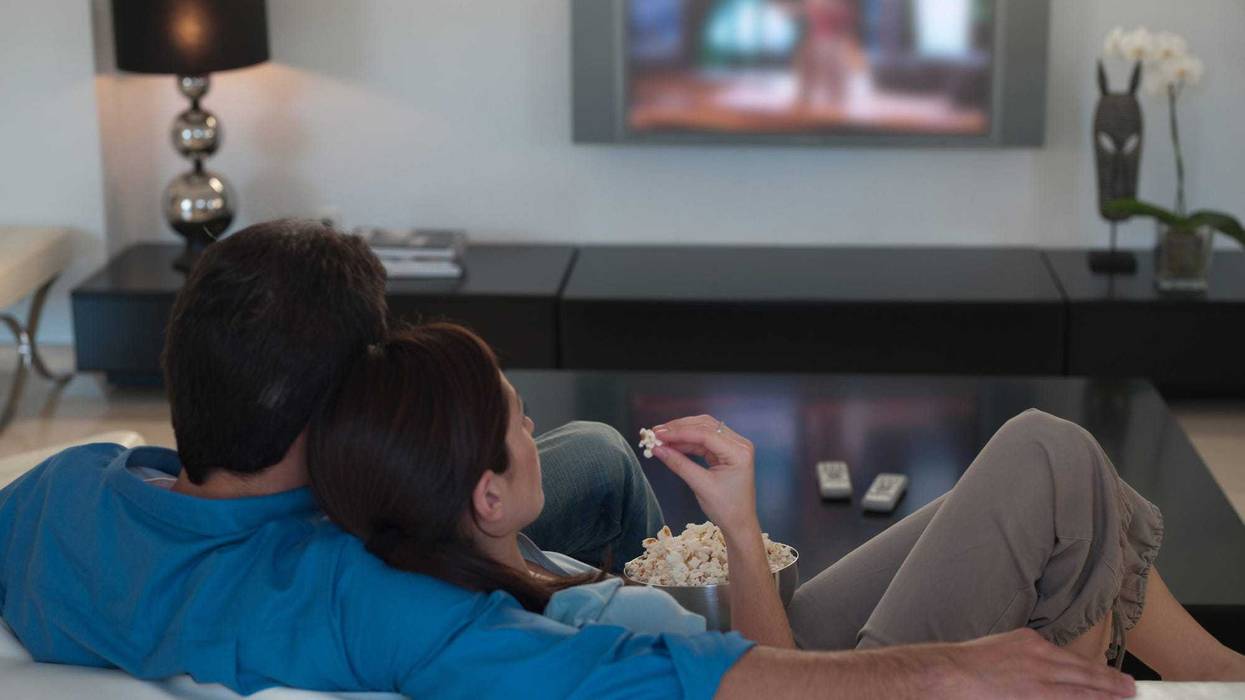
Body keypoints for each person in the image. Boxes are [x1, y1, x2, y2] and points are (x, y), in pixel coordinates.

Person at [0, 219, 1141, 699]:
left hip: (501, 545)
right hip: (661, 629)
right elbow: (691, 678)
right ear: (331, 415)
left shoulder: (66, 491)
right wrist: (947, 671)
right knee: (1056, 467)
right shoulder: (368, 596)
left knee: (590, 458)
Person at [307, 322, 1245, 685]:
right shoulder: (607, 617)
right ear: (486, 493)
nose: (531, 421)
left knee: (1064, 477)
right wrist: (742, 529)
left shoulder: (451, 562)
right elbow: (781, 683)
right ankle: (1134, 678)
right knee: (1047, 453)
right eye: (516, 419)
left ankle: (1211, 673)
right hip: (826, 691)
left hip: (776, 661)